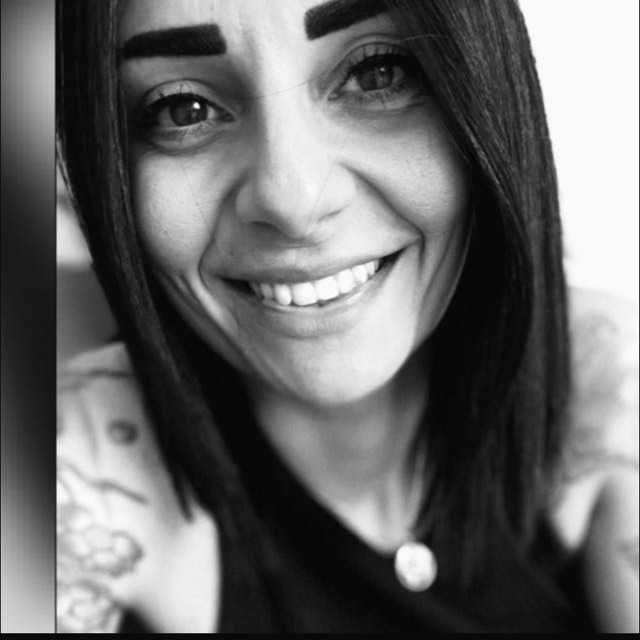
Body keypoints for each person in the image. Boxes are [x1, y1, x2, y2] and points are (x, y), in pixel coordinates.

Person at [56, 0, 639, 633]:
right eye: (183, 109)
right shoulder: (77, 474)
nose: (293, 198)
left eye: (377, 73)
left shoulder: (612, 382)